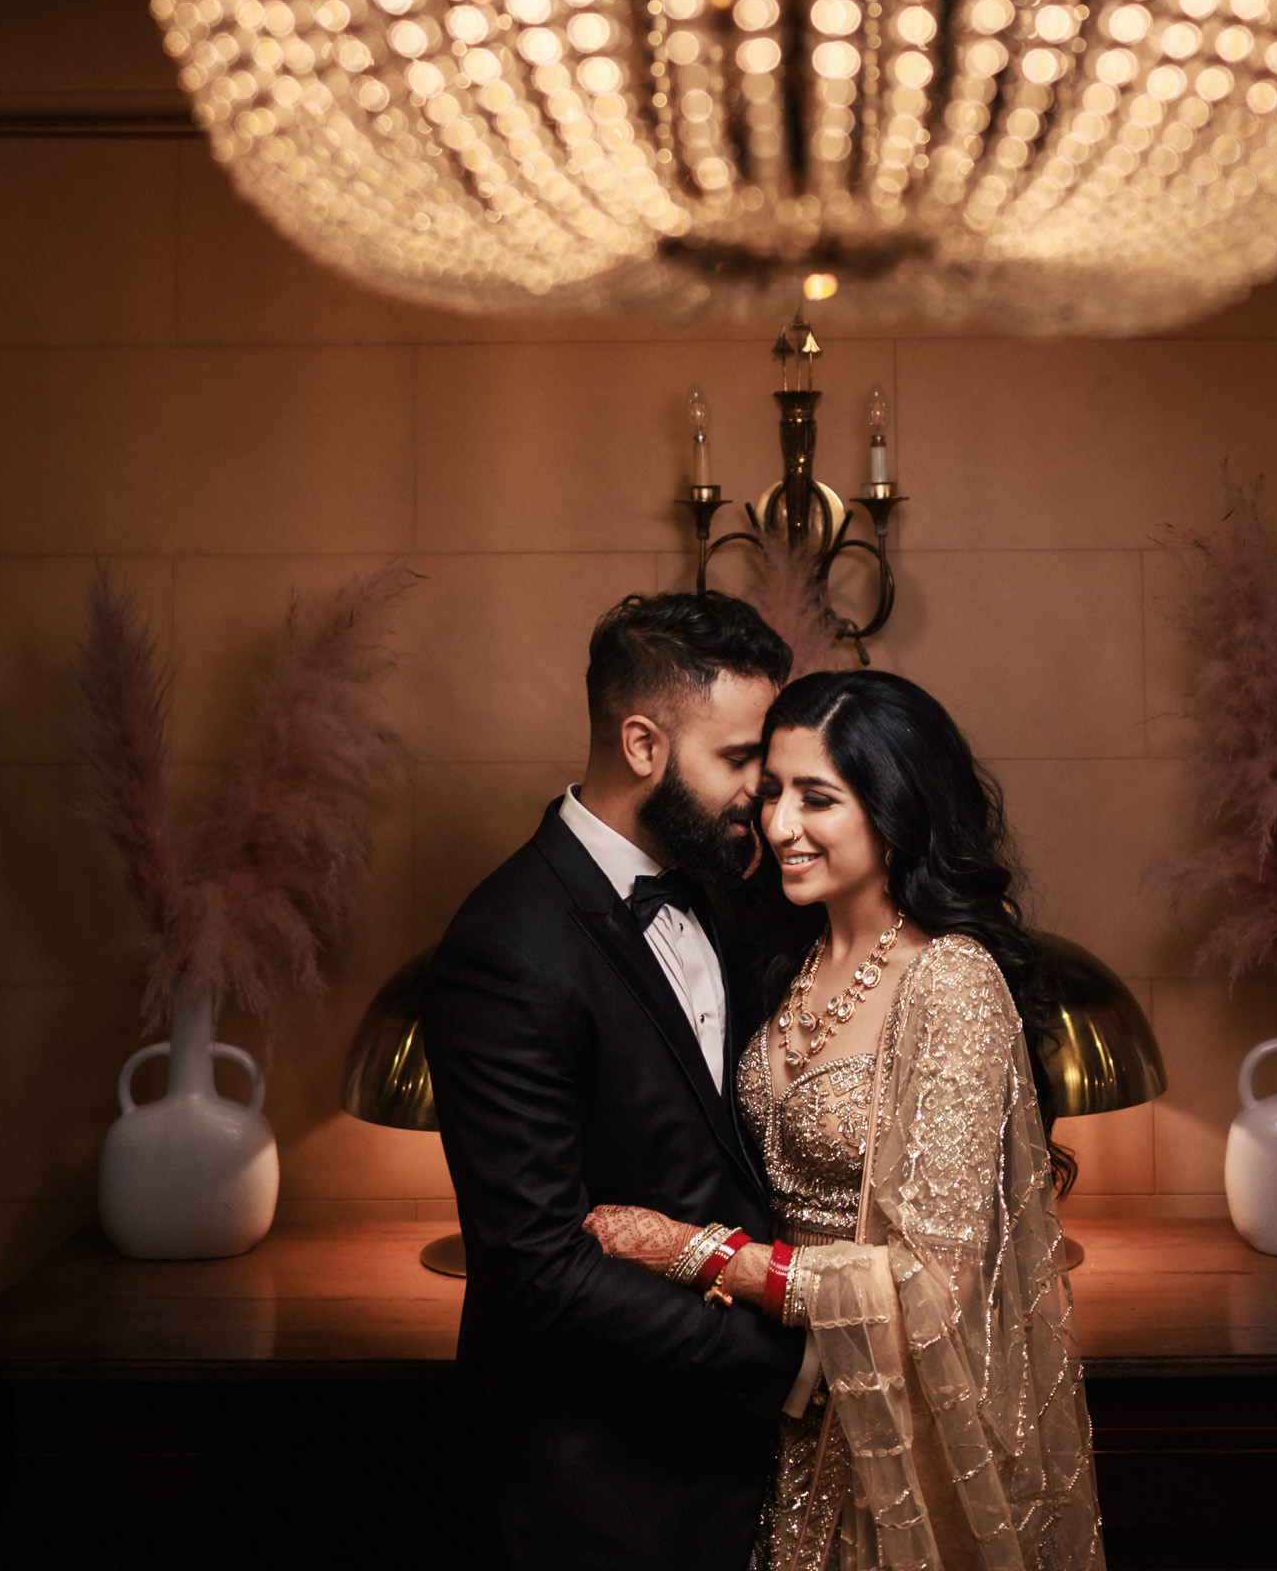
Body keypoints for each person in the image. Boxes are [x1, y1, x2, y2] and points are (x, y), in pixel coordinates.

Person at [585, 668, 1106, 1571]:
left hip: (901, 1430)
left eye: (816, 798)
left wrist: (700, 1254)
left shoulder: (950, 982)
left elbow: (930, 1286)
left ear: (894, 807)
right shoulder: (778, 956)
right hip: (773, 1413)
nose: (778, 824)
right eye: (773, 791)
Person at [422, 590, 814, 1571]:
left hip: (742, 1476)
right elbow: (541, 1271)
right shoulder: (505, 947)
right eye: (736, 759)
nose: (760, 793)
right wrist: (801, 1364)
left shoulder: (732, 885)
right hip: (598, 1493)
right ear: (643, 745)